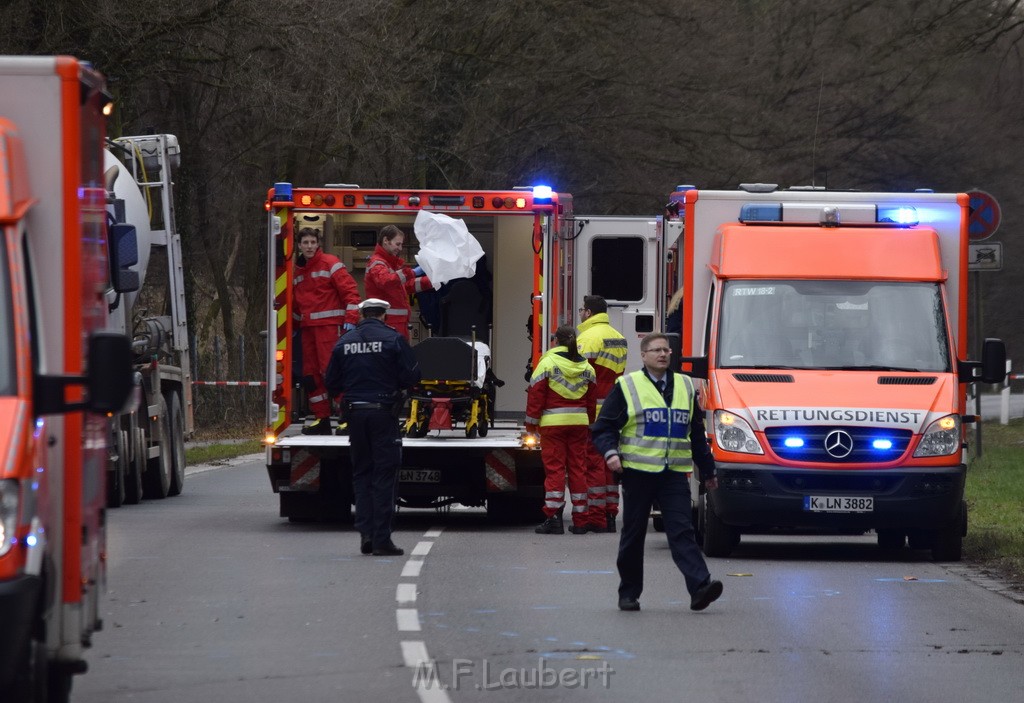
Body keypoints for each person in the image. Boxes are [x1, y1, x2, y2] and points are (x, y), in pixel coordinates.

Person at [591, 332, 723, 612]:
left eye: (666, 350)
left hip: (673, 473)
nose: (663, 354)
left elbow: (696, 434)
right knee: (634, 534)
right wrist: (611, 453)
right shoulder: (627, 386)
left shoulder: (687, 386)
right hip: (638, 473)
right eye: (656, 350)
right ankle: (628, 593)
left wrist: (709, 469)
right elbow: (603, 428)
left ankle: (700, 587)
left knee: (682, 531)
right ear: (644, 355)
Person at [325, 298, 421, 556]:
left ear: (361, 315)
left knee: (362, 473)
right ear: (384, 316)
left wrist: (348, 395)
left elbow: (331, 381)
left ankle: (365, 533)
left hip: (355, 415)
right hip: (383, 415)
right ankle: (381, 539)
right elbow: (412, 375)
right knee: (384, 475)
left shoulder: (344, 342)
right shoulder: (393, 339)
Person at [527, 326, 597, 535]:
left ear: (555, 341)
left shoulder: (547, 363)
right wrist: (589, 423)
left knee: (555, 470)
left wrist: (531, 425)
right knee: (578, 469)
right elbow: (591, 402)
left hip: (553, 425)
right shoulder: (587, 368)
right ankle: (581, 520)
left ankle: (554, 518)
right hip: (579, 425)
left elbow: (536, 396)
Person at [294, 220, 361, 435]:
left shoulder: (330, 263)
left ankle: (346, 417)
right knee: (311, 376)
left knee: (332, 372)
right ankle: (322, 418)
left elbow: (351, 292)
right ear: (299, 245)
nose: (310, 246)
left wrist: (351, 320)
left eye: (313, 242)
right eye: (305, 242)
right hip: (308, 330)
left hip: (329, 329)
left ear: (318, 243)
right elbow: (294, 305)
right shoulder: (296, 271)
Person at [577, 295, 628, 532]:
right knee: (610, 461)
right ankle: (610, 513)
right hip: (613, 408)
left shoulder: (587, 338)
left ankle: (596, 515)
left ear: (588, 312)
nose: (580, 314)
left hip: (593, 409)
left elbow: (580, 377)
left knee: (594, 462)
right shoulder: (618, 337)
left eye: (581, 310)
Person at [365, 224, 433, 340]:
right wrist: (412, 272)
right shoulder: (378, 263)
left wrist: (432, 281)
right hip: (387, 325)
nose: (400, 248)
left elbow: (405, 286)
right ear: (386, 240)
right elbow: (385, 281)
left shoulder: (389, 264)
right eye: (398, 244)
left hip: (395, 324)